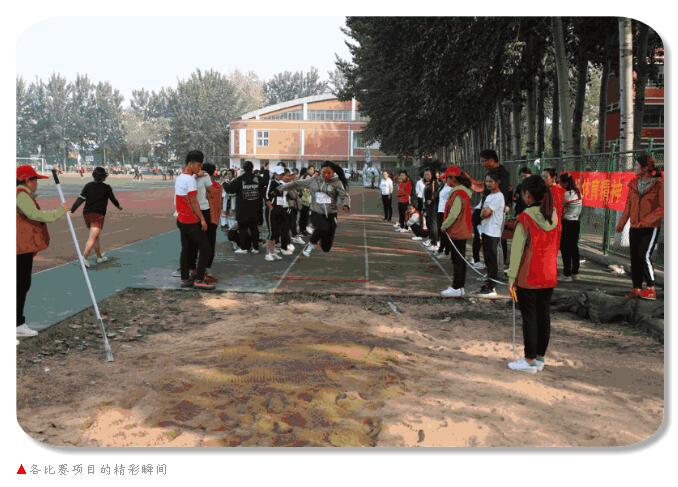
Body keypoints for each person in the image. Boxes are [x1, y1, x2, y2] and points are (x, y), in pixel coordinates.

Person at [507, 175, 559, 374]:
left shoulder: (526, 217)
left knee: (529, 317)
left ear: (527, 195)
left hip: (528, 276)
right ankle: (539, 358)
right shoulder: (554, 215)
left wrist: (511, 278)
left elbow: (516, 250)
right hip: (549, 274)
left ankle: (529, 360)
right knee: (543, 316)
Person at [16, 166, 69, 342]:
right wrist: (59, 211)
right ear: (27, 180)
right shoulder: (20, 194)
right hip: (19, 247)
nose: (36, 183)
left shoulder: (22, 194)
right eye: (35, 180)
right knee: (19, 285)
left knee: (21, 284)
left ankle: (17, 323)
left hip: (22, 246)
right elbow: (34, 214)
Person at [276, 161, 350, 257]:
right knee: (323, 227)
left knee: (326, 247)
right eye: (324, 172)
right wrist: (280, 188)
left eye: (329, 173)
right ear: (320, 171)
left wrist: (346, 205)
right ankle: (310, 246)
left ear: (333, 173)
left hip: (331, 214)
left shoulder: (337, 183)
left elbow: (344, 196)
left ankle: (322, 237)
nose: (326, 175)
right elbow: (296, 183)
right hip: (316, 212)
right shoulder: (313, 180)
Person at [616, 155, 663, 301]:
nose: (634, 167)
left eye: (637, 165)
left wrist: (645, 221)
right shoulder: (634, 183)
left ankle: (651, 288)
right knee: (635, 258)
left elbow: (662, 207)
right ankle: (636, 288)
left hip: (650, 227)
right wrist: (622, 223)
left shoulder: (659, 184)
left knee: (644, 256)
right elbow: (629, 205)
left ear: (645, 168)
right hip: (635, 226)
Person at [174, 151, 214, 290]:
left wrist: (196, 175)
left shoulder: (180, 178)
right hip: (190, 221)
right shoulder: (190, 181)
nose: (199, 168)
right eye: (198, 165)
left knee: (185, 249)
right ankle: (199, 279)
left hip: (181, 220)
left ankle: (185, 279)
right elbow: (194, 202)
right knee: (206, 248)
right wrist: (202, 219)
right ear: (191, 163)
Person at [70, 166, 123, 267]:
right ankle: (84, 257)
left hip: (87, 214)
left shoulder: (88, 186)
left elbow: (80, 199)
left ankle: (99, 257)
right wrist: (118, 206)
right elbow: (113, 199)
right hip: (98, 215)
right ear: (103, 177)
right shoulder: (107, 187)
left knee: (96, 237)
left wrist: (72, 210)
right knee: (92, 237)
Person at [439, 167, 473, 298]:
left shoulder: (459, 194)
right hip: (461, 230)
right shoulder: (461, 192)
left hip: (457, 230)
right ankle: (459, 286)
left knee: (457, 259)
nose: (446, 180)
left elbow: (453, 214)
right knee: (459, 259)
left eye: (447, 178)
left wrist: (444, 225)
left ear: (453, 178)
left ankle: (457, 286)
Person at [222, 160, 263, 254]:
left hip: (243, 209)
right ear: (252, 168)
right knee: (254, 228)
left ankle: (244, 248)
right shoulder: (258, 179)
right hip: (255, 208)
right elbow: (262, 190)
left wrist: (224, 183)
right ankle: (255, 248)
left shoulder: (240, 179)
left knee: (243, 228)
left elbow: (230, 189)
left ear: (244, 169)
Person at [476, 172, 505, 297]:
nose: (488, 184)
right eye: (486, 181)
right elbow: (482, 212)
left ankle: (492, 287)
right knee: (487, 259)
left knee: (492, 260)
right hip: (485, 230)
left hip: (493, 232)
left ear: (497, 182)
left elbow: (486, 213)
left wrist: (483, 213)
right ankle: (488, 283)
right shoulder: (489, 196)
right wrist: (483, 213)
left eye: (491, 181)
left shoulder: (499, 196)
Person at [559, 173, 582, 282]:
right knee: (574, 248)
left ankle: (567, 274)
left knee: (565, 249)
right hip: (576, 223)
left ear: (566, 183)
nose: (560, 184)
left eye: (561, 182)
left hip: (567, 223)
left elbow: (561, 208)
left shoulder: (566, 194)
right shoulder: (578, 192)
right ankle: (575, 272)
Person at [200, 163, 222, 279]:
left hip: (202, 219)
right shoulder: (217, 186)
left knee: (200, 245)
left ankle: (198, 270)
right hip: (214, 219)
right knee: (210, 244)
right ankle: (207, 269)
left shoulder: (200, 186)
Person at [264, 165, 290, 261]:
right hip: (272, 210)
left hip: (280, 209)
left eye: (282, 174)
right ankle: (268, 254)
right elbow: (266, 196)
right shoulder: (271, 182)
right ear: (274, 174)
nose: (281, 175)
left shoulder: (281, 183)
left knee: (276, 233)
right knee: (272, 233)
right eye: (279, 174)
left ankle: (273, 252)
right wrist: (271, 208)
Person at [422, 169, 438, 250]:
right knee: (429, 224)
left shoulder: (434, 183)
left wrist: (431, 200)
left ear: (432, 175)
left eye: (428, 174)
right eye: (425, 174)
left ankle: (435, 243)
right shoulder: (427, 184)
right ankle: (431, 240)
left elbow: (435, 193)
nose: (426, 176)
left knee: (433, 224)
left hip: (433, 207)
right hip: (427, 207)